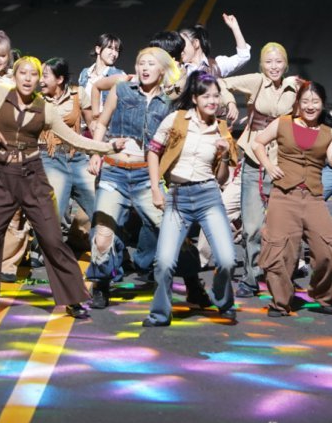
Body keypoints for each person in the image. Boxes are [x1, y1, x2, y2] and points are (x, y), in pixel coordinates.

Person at [0, 56, 119, 318]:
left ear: (39, 80)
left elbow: (74, 139)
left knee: (52, 239)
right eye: (22, 73)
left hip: (33, 178)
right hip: (4, 178)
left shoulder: (44, 108)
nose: (27, 78)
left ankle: (73, 299)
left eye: (34, 74)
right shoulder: (0, 93)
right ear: (15, 75)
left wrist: (108, 147)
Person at [87, 47, 208, 310]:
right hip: (114, 173)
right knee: (103, 234)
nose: (144, 68)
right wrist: (96, 152)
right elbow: (103, 122)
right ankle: (101, 285)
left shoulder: (169, 102)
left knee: (173, 230)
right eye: (141, 63)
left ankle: (192, 284)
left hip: (146, 176)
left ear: (162, 70)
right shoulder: (122, 89)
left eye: (150, 64)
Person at [143, 72, 239, 327]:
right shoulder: (176, 120)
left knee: (227, 260)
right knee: (164, 263)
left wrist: (223, 155)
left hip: (208, 196)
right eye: (206, 95)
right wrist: (155, 188)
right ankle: (160, 314)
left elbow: (221, 177)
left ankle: (224, 302)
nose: (212, 101)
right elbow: (153, 152)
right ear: (195, 98)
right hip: (178, 197)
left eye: (216, 95)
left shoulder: (221, 129)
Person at [254, 81, 332, 316]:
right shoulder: (283, 123)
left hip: (312, 197)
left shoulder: (328, 131)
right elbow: (257, 143)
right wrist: (269, 166)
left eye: (315, 102)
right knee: (281, 252)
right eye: (306, 101)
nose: (310, 106)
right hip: (284, 195)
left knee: (331, 251)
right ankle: (280, 301)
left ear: (322, 104)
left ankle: (322, 294)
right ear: (298, 103)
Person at [222, 43, 300, 298]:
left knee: (285, 224)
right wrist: (232, 103)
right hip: (256, 159)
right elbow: (220, 83)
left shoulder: (295, 86)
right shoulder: (256, 81)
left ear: (285, 64)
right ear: (262, 65)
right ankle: (251, 275)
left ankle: (284, 272)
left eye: (278, 62)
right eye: (268, 62)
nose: (274, 66)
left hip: (285, 159)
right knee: (253, 226)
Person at [40, 58, 96, 227]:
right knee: (52, 215)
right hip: (50, 158)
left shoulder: (78, 94)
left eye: (45, 76)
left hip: (77, 157)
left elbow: (92, 125)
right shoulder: (37, 99)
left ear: (59, 79)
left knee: (100, 209)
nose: (40, 80)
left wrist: (96, 154)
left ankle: (107, 251)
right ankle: (46, 252)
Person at [78, 32, 124, 128]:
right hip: (84, 127)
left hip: (105, 128)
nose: (114, 53)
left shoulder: (119, 75)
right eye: (110, 48)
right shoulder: (84, 73)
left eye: (117, 50)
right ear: (98, 49)